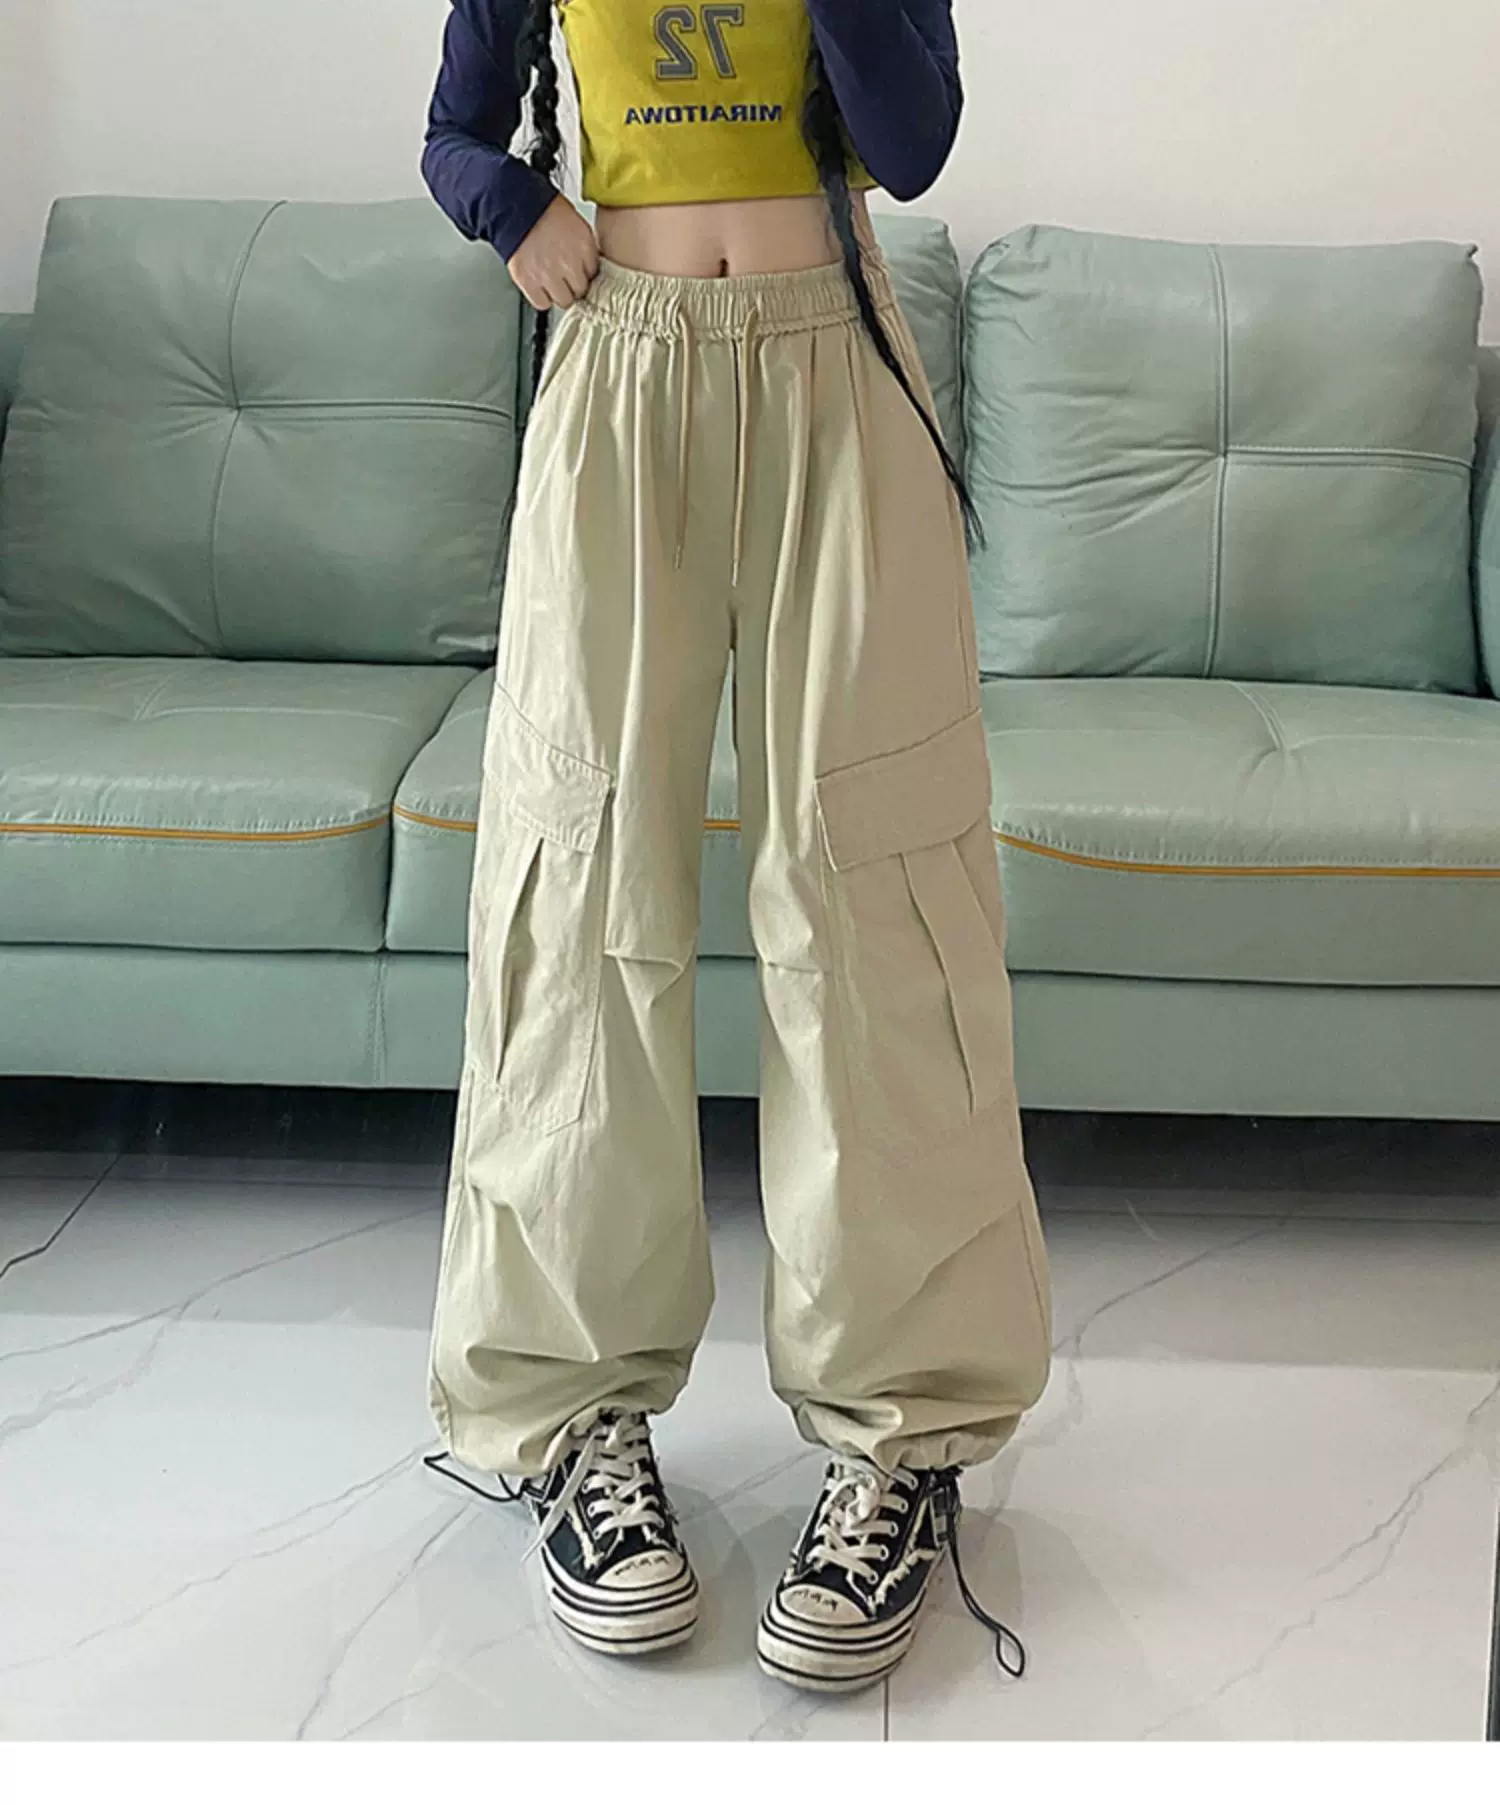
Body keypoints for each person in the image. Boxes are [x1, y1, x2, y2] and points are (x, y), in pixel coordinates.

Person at [420, 0, 1053, 1694]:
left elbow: (915, 144)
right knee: (579, 881)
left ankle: (901, 1433)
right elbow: (454, 130)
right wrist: (513, 211)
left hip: (836, 366)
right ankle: (575, 1418)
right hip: (620, 369)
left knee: (875, 895)